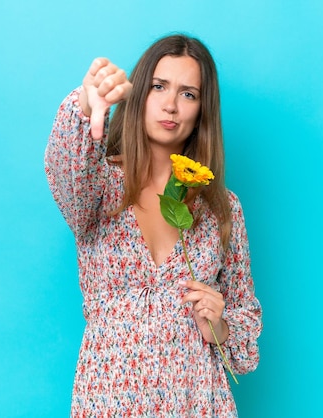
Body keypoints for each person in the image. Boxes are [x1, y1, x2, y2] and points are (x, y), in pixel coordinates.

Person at [45, 34, 262, 417]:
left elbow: (245, 339)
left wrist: (221, 325)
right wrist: (84, 105)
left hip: (196, 400)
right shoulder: (97, 186)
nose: (171, 105)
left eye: (188, 94)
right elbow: (64, 171)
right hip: (110, 399)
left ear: (201, 111)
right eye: (159, 86)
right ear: (140, 92)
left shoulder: (221, 208)